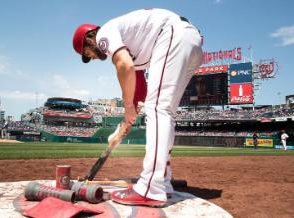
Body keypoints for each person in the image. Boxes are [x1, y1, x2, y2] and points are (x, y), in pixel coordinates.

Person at [72, 8, 203, 207]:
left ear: (88, 39)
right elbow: (139, 89)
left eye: (87, 53)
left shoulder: (104, 34)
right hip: (191, 41)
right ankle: (163, 182)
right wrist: (125, 123)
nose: (92, 56)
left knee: (158, 110)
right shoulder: (132, 44)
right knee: (164, 112)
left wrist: (127, 108)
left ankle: (151, 188)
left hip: (172, 34)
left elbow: (125, 66)